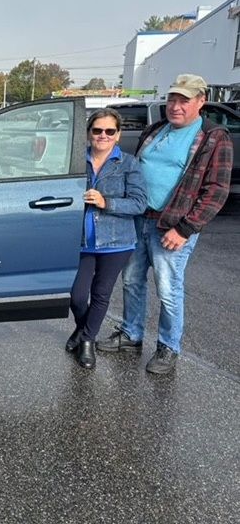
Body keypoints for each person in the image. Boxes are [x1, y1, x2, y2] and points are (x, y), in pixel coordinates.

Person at [96, 74, 233, 374]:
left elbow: (216, 191)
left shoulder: (213, 138)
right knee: (131, 280)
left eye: (184, 100)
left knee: (168, 289)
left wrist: (185, 228)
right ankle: (131, 334)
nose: (176, 105)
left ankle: (169, 347)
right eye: (172, 98)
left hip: (171, 227)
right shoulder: (157, 129)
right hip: (139, 219)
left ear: (201, 101)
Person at [66, 108, 147, 368]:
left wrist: (106, 202)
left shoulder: (128, 163)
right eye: (97, 130)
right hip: (81, 241)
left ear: (118, 135)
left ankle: (87, 341)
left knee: (101, 294)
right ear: (89, 133)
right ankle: (82, 330)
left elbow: (139, 204)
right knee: (77, 296)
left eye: (109, 131)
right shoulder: (76, 160)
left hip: (116, 242)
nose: (103, 135)